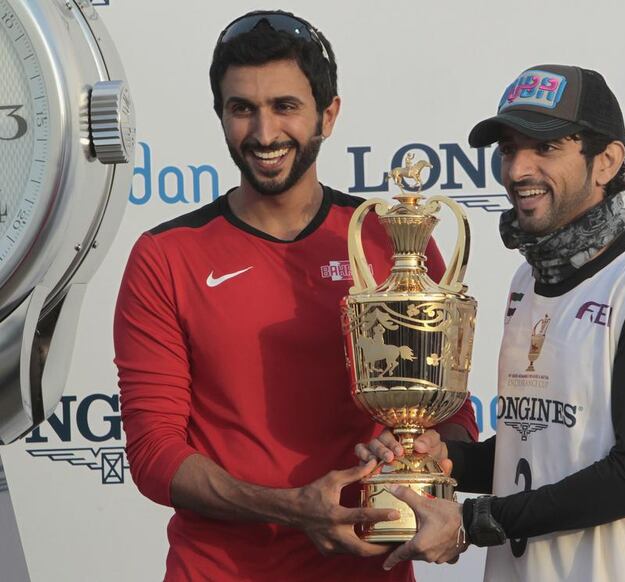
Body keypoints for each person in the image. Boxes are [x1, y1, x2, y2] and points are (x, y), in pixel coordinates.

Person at [113, 11, 477, 582]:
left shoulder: (395, 243)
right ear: (220, 115)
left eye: (285, 106)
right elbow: (155, 454)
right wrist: (290, 507)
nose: (263, 134)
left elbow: (453, 414)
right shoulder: (166, 256)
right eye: (242, 109)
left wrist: (429, 447)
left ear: (327, 114)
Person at [357, 64, 625, 581]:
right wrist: (444, 458)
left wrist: (470, 522)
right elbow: (540, 446)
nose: (517, 169)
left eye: (545, 148)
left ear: (606, 161)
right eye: (508, 149)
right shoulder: (526, 280)